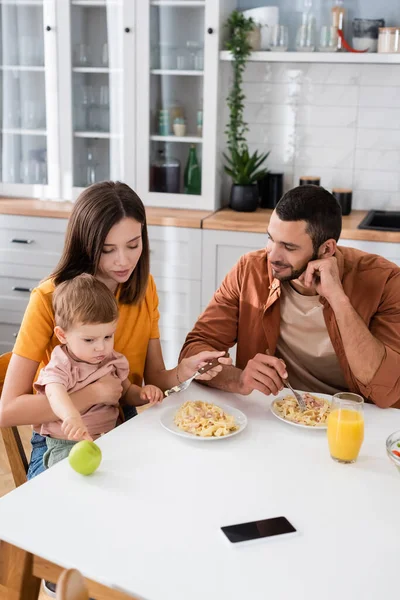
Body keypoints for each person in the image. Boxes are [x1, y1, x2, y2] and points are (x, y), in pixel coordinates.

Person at [0, 181, 231, 480]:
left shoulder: (144, 288)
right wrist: (93, 394)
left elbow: (155, 381)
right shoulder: (48, 298)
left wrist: (185, 370)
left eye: (133, 245)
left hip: (120, 423)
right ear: (86, 245)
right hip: (61, 438)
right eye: (108, 250)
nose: (124, 261)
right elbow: (8, 410)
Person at [180, 185, 400, 408]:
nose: (272, 255)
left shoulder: (385, 281)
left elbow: (388, 391)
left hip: (350, 418)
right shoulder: (249, 270)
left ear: (326, 249)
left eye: (288, 247)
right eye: (271, 239)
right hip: (276, 413)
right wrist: (239, 379)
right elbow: (194, 351)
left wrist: (338, 298)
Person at [35, 274, 164, 469]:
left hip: (109, 437)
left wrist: (143, 394)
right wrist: (70, 416)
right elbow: (54, 393)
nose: (101, 348)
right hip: (68, 445)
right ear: (62, 335)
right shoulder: (62, 363)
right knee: (70, 484)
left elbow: (127, 392)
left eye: (107, 336)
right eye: (89, 340)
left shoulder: (112, 360)